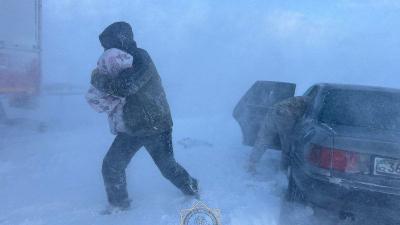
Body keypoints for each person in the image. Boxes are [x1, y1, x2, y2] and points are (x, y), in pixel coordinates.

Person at [91, 22, 199, 212]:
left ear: (121, 41)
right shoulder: (121, 59)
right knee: (111, 165)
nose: (107, 50)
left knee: (168, 168)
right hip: (132, 126)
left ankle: (192, 188)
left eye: (110, 45)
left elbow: (125, 87)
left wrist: (97, 78)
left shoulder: (140, 58)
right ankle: (119, 205)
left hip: (155, 126)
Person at [248, 96, 312, 173]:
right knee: (287, 146)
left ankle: (252, 163)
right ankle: (283, 170)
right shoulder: (313, 103)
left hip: (273, 109)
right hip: (285, 114)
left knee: (264, 138)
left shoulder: (302, 98)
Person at [86, 48, 133, 135]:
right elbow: (92, 98)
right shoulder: (104, 84)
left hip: (133, 126)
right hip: (121, 126)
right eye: (127, 66)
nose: (131, 67)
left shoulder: (125, 80)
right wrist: (114, 102)